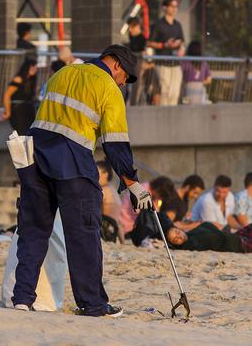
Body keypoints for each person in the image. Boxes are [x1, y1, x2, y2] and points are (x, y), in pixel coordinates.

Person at [12, 44, 152, 317]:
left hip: (36, 158)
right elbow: (116, 144)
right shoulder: (108, 88)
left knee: (33, 230)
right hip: (73, 163)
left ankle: (22, 298)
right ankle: (93, 304)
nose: (124, 83)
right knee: (84, 233)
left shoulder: (63, 73)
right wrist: (133, 184)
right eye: (126, 77)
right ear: (116, 66)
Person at [147, 0, 185, 106]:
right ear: (164, 8)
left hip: (176, 64)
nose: (174, 9)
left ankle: (172, 120)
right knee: (164, 93)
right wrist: (164, 45)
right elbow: (149, 43)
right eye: (172, 6)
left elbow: (182, 42)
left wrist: (181, 48)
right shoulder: (158, 24)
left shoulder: (178, 25)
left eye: (176, 6)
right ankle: (164, 119)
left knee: (174, 94)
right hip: (162, 64)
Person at [1, 58, 38, 135]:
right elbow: (7, 95)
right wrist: (8, 112)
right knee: (22, 133)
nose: (34, 69)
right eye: (32, 67)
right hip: (18, 111)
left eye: (35, 67)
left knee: (30, 134)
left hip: (28, 110)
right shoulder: (19, 79)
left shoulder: (31, 80)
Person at [166, 221, 252, 253]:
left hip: (235, 235)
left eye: (177, 232)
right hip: (237, 244)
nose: (179, 236)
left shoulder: (192, 233)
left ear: (179, 229)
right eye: (175, 239)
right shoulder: (189, 245)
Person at [97, 161, 123, 243]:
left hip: (105, 230)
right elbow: (117, 222)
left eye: (96, 172)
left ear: (105, 174)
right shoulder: (112, 188)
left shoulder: (103, 190)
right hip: (115, 230)